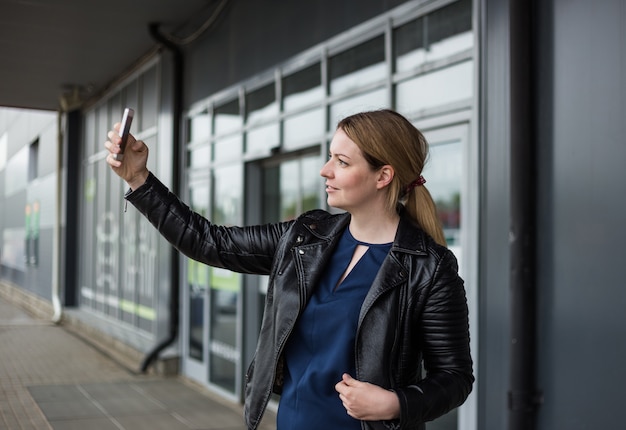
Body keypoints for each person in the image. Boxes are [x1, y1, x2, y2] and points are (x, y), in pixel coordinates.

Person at [105, 109, 473, 430]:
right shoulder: (305, 238)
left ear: (383, 176)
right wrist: (139, 179)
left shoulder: (429, 268)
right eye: (331, 157)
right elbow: (209, 242)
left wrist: (395, 404)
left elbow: (455, 378)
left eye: (342, 162)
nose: (325, 170)